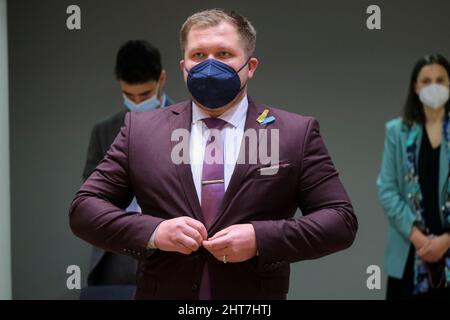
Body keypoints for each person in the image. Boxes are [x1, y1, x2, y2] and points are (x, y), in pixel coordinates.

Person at [70, 9, 357, 300]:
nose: (209, 66)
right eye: (198, 55)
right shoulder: (140, 131)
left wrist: (260, 239)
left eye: (223, 54)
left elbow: (340, 221)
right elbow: (85, 209)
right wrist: (155, 232)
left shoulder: (294, 133)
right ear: (183, 66)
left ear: (251, 65)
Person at [81, 40, 173, 299]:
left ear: (161, 79)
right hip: (117, 252)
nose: (137, 102)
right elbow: (91, 197)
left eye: (144, 95)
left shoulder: (190, 125)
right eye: (129, 96)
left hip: (173, 248)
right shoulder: (104, 131)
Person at [377, 54, 450, 299]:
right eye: (426, 80)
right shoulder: (396, 132)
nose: (434, 86)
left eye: (441, 80)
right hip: (409, 252)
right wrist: (420, 239)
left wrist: (445, 241)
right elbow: (387, 189)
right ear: (416, 86)